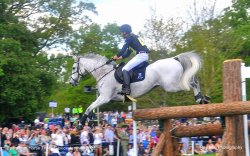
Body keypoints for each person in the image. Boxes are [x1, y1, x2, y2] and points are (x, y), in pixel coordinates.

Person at [112, 24, 150, 95]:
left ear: (125, 32)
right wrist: (118, 58)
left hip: (141, 55)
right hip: (143, 55)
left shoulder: (129, 38)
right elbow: (127, 53)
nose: (121, 34)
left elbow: (123, 50)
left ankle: (127, 89)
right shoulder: (134, 37)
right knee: (127, 68)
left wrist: (116, 56)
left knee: (124, 69)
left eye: (121, 32)